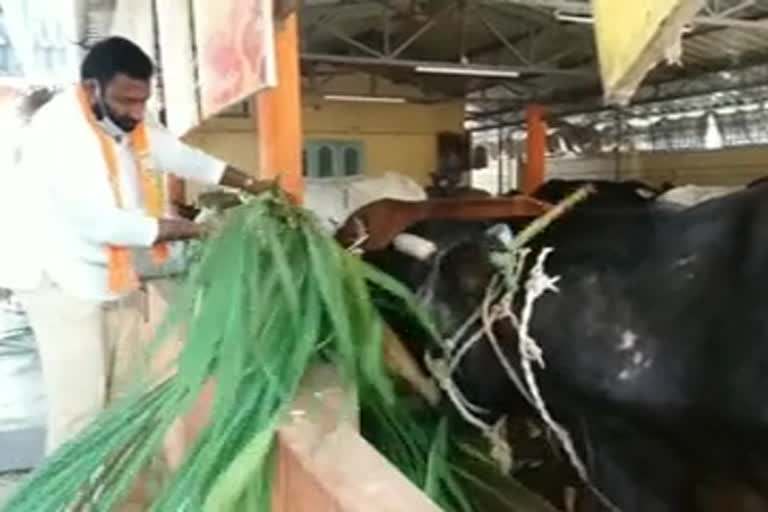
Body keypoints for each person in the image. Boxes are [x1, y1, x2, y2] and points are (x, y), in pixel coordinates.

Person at [0, 36, 280, 455]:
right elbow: (100, 222)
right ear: (92, 88)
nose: (136, 113)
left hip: (111, 275)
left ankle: (116, 493)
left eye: (142, 101)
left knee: (122, 397)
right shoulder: (59, 133)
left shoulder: (127, 121)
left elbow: (183, 156)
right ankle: (72, 498)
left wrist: (253, 185)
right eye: (126, 101)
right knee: (80, 408)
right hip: (60, 278)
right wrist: (197, 230)